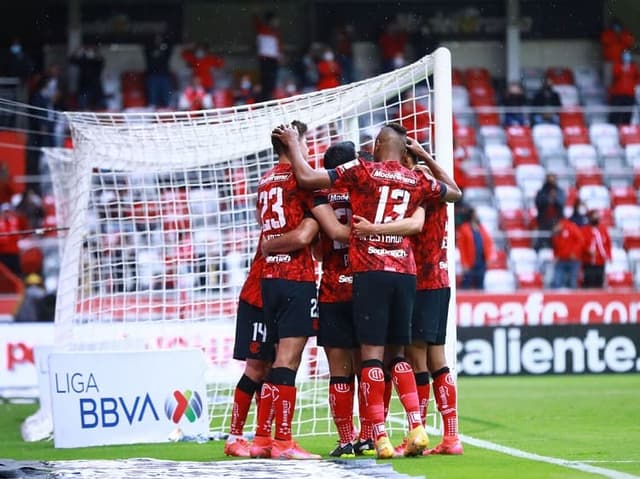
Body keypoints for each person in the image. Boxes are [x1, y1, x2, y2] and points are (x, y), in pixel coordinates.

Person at [272, 122, 461, 458]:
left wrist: (293, 146)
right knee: (398, 357)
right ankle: (410, 427)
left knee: (349, 367)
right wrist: (424, 158)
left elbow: (324, 227)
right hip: (406, 273)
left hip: (350, 281)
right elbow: (452, 194)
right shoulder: (415, 180)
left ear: (374, 147)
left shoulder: (354, 177)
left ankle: (362, 437)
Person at [351, 141, 463, 456]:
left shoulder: (417, 189)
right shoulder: (429, 186)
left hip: (421, 281)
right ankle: (449, 436)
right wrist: (428, 157)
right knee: (435, 359)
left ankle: (420, 432)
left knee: (413, 360)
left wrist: (372, 228)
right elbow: (454, 191)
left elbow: (415, 224)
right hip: (439, 280)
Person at [248, 120, 321, 460]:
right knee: (287, 361)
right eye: (304, 142)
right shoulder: (301, 179)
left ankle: (262, 439)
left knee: (277, 356)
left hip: (270, 279)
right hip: (295, 277)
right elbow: (306, 236)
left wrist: (269, 246)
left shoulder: (263, 182)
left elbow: (266, 234)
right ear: (292, 144)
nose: (307, 148)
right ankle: (283, 442)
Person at [224, 219, 319, 458]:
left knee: (272, 368)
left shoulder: (285, 212)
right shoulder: (291, 214)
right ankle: (235, 437)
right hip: (257, 297)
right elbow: (301, 238)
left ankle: (262, 437)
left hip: (271, 292)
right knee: (257, 369)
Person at [457, 208, 495, 290]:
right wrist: (464, 263)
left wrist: (488, 257)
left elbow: (488, 242)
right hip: (470, 262)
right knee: (466, 285)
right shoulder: (464, 228)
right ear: (472, 215)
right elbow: (461, 247)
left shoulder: (481, 228)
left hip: (481, 261)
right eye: (476, 213)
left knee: (480, 285)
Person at [550, 215, 584, 289]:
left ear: (559, 225)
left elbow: (580, 241)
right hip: (561, 259)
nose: (554, 230)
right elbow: (555, 247)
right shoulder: (555, 234)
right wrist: (555, 256)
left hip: (573, 260)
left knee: (572, 281)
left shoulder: (571, 227)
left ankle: (574, 299)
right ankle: (557, 299)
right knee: (557, 281)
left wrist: (574, 252)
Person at [580, 209, 612, 288]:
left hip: (600, 261)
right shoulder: (584, 230)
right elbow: (582, 244)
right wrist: (588, 250)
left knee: (599, 281)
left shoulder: (603, 229)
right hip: (588, 261)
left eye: (597, 216)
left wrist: (608, 254)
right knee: (589, 281)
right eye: (594, 216)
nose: (596, 218)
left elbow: (608, 243)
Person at [534, 173, 566, 249]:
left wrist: (555, 198)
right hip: (544, 220)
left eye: (553, 178)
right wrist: (548, 198)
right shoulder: (541, 191)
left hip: (557, 221)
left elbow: (561, 202)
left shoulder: (560, 191)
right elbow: (538, 203)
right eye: (550, 178)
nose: (551, 180)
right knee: (542, 240)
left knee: (557, 241)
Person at [255, 12, 281, 102]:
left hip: (273, 59)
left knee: (272, 81)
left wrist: (279, 55)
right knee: (266, 81)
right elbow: (256, 22)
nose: (277, 23)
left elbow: (277, 46)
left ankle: (270, 99)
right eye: (275, 21)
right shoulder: (262, 29)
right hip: (265, 58)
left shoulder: (276, 32)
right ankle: (264, 100)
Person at [69, 45, 105, 110]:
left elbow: (101, 61)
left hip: (96, 87)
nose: (89, 52)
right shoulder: (83, 59)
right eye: (87, 50)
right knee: (83, 107)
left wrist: (95, 55)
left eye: (90, 51)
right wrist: (78, 51)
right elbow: (71, 60)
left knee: (99, 108)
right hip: (84, 87)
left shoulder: (97, 60)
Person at [608, 50, 639, 125]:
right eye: (625, 55)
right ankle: (614, 126)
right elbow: (615, 75)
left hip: (630, 94)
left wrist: (633, 86)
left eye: (628, 55)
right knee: (616, 112)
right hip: (618, 94)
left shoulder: (633, 67)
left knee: (628, 112)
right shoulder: (617, 65)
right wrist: (623, 69)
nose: (626, 57)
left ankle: (626, 127)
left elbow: (637, 78)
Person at [600, 18, 634, 86]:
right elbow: (604, 41)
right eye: (614, 25)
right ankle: (609, 95)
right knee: (608, 80)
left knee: (622, 79)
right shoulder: (607, 33)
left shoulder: (625, 33)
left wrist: (620, 35)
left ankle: (621, 92)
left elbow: (630, 42)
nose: (616, 27)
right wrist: (616, 36)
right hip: (609, 61)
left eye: (618, 25)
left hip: (622, 62)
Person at [145, 34, 173, 108]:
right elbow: (147, 52)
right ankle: (153, 112)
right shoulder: (150, 48)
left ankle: (167, 112)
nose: (158, 40)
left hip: (164, 75)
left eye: (160, 39)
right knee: (153, 97)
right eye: (156, 39)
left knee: (166, 96)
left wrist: (163, 45)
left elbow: (170, 49)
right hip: (152, 75)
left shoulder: (165, 48)